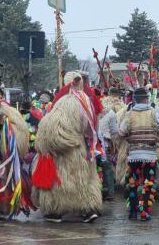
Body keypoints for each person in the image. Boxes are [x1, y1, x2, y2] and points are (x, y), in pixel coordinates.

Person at [31, 71, 102, 223]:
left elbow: (51, 127)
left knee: (62, 181)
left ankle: (56, 211)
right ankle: (88, 210)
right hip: (81, 147)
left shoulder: (63, 102)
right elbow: (92, 128)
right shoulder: (86, 101)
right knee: (84, 180)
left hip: (65, 151)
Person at [119, 87, 159, 221]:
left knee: (132, 183)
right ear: (146, 99)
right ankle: (144, 211)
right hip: (150, 154)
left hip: (134, 155)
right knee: (148, 183)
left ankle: (133, 212)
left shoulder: (129, 114)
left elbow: (121, 132)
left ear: (135, 99)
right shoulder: (153, 112)